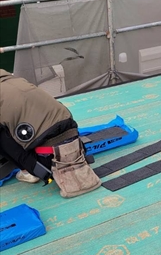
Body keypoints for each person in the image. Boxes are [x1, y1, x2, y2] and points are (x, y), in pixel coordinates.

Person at [0, 69, 101, 197]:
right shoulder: (17, 80)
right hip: (77, 146)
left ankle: (28, 172)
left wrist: (36, 169)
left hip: (47, 162)